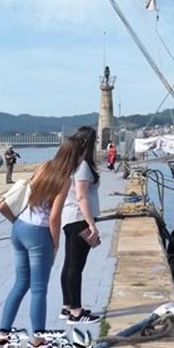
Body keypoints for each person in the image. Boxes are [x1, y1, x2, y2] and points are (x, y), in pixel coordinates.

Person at [0, 136, 86, 348]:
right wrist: (54, 245)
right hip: (38, 233)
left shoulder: (44, 166)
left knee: (20, 283)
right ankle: (39, 341)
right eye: (83, 154)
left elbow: (27, 193)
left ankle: (3, 335)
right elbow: (54, 217)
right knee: (39, 289)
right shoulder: (65, 179)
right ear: (77, 156)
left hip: (20, 226)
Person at [60, 126, 101, 324]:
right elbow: (82, 197)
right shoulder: (83, 166)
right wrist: (91, 224)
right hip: (79, 218)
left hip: (69, 218)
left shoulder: (71, 164)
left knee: (69, 264)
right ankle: (76, 313)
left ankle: (67, 306)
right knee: (76, 266)